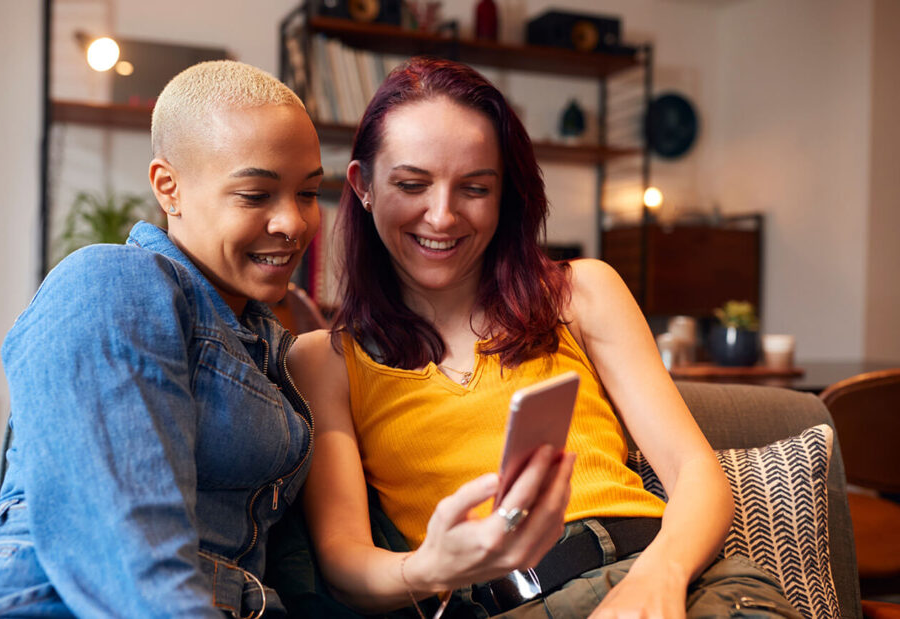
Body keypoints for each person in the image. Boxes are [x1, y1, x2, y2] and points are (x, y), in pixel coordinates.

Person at [287, 57, 800, 618]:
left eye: (475, 188)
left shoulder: (581, 293)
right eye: (411, 184)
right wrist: (431, 566)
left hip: (675, 580)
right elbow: (343, 565)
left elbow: (695, 472)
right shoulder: (327, 360)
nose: (442, 216)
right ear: (362, 186)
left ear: (506, 193)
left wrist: (661, 577)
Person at [0, 60, 323, 618]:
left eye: (308, 193)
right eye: (256, 195)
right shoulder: (111, 281)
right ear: (168, 187)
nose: (295, 223)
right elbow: (126, 545)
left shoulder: (268, 343)